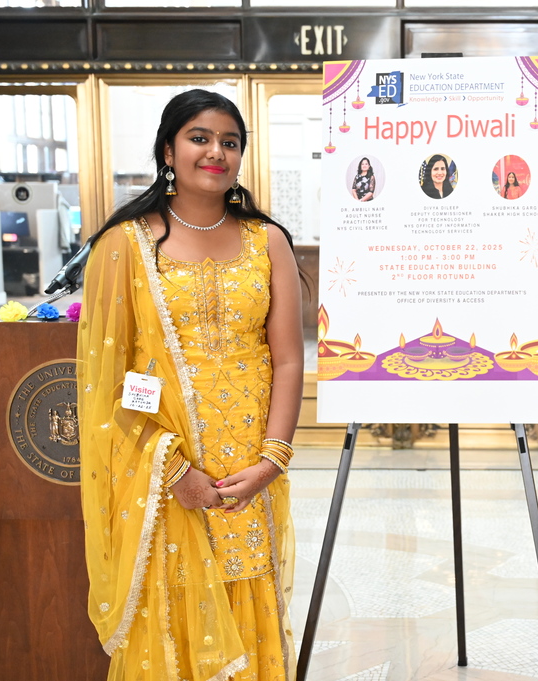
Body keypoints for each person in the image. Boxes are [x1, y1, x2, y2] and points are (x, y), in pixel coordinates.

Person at [77, 89, 304, 681]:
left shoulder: (267, 241)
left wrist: (274, 458)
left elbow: (286, 360)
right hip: (164, 467)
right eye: (199, 138)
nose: (216, 152)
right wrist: (172, 469)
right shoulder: (124, 245)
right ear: (168, 150)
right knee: (173, 608)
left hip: (248, 471)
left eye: (230, 142)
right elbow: (110, 377)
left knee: (250, 605)